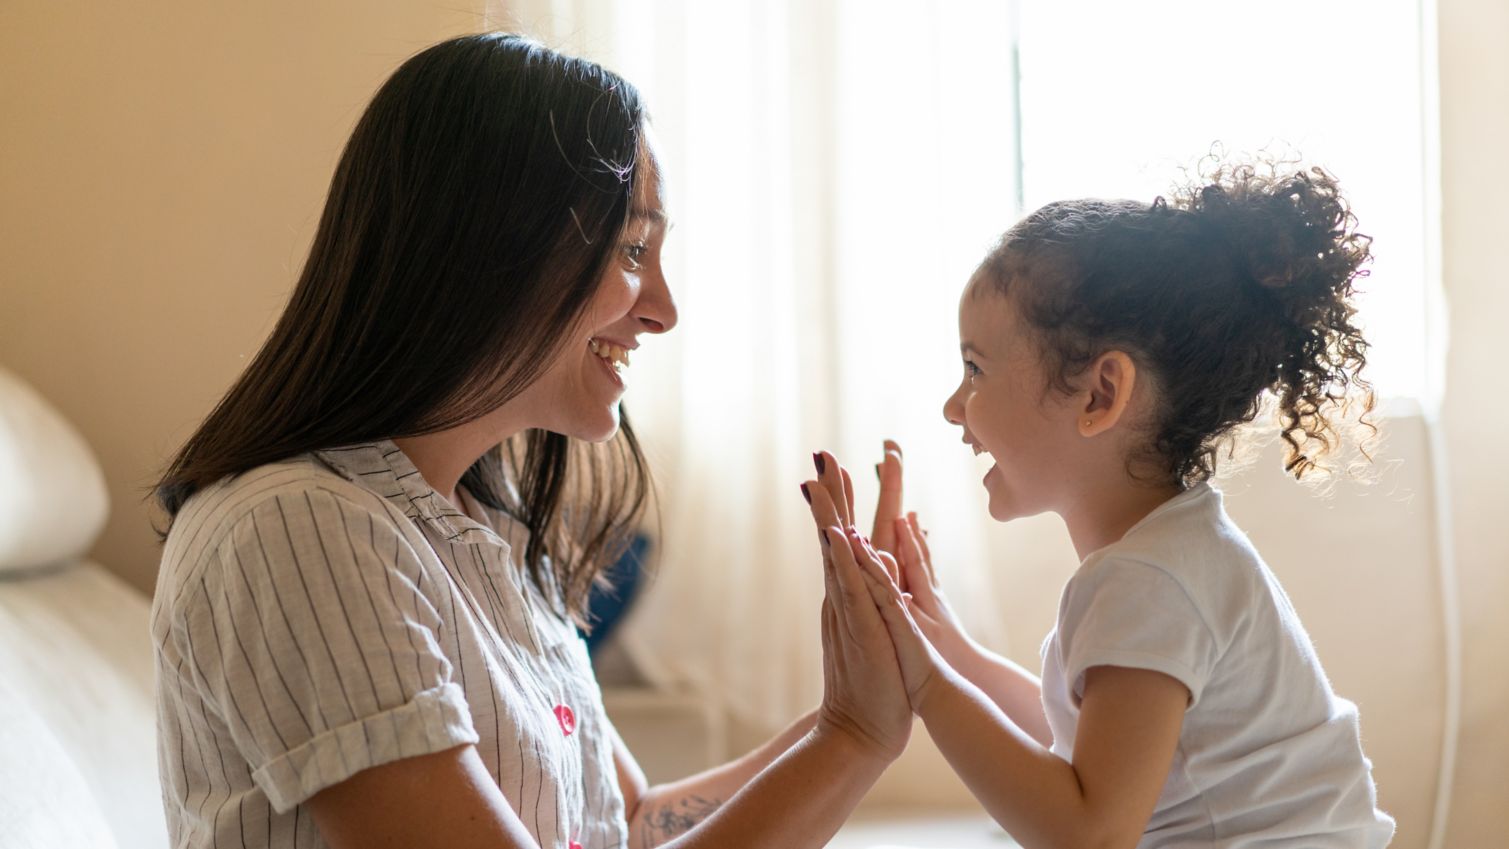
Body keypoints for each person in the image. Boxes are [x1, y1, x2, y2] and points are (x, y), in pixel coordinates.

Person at [151, 33, 911, 849]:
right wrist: (852, 738)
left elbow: (633, 821)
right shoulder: (297, 531)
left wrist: (858, 708)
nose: (662, 308)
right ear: (493, 248)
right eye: (630, 250)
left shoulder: (486, 526)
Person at [800, 162, 1397, 847]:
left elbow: (1087, 830)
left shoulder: (1148, 581)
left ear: (1098, 395)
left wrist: (926, 680)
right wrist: (942, 643)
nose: (952, 406)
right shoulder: (1169, 555)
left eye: (974, 369)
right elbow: (1073, 749)